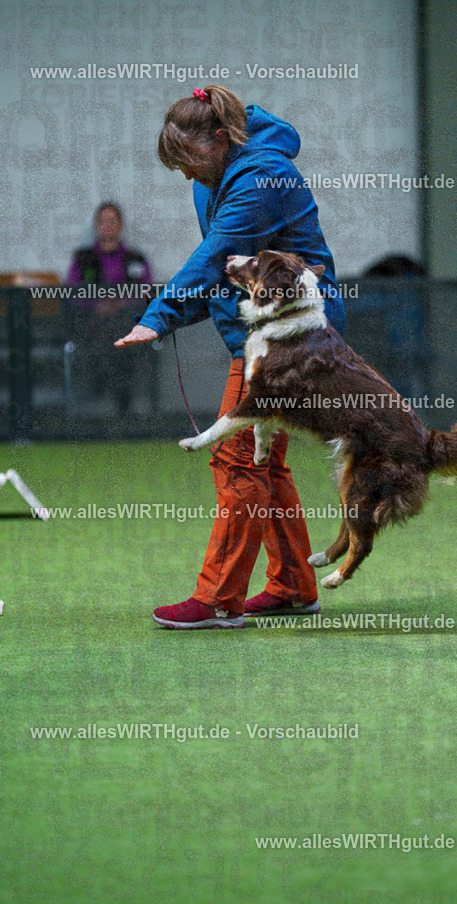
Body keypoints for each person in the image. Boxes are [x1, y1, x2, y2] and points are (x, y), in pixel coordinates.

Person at [115, 86, 345, 629]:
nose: (187, 175)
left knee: (238, 458)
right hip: (266, 333)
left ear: (221, 138)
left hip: (290, 338)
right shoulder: (216, 175)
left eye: (190, 160)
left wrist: (159, 315)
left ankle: (218, 597)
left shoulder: (263, 177)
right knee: (263, 461)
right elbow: (228, 272)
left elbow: (216, 254)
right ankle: (292, 586)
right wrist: (177, 314)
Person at [67, 202, 154, 412]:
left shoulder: (136, 258)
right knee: (111, 334)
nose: (108, 226)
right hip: (91, 325)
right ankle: (116, 401)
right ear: (96, 225)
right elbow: (71, 293)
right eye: (103, 221)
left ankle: (112, 395)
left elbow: (148, 294)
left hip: (127, 326)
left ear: (121, 225)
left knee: (121, 326)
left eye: (112, 221)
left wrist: (120, 304)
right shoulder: (82, 258)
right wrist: (96, 305)